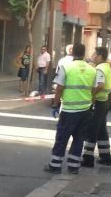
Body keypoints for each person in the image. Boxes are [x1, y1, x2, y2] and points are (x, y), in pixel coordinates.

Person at [43, 43, 101, 174]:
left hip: (69, 110)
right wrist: (91, 105)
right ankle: (73, 166)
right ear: (84, 53)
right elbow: (94, 90)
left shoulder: (66, 67)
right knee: (79, 139)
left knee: (62, 138)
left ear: (72, 52)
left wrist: (55, 105)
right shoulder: (92, 69)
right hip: (85, 110)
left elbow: (59, 89)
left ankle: (55, 165)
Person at [82, 47, 111, 167]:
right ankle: (106, 157)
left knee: (92, 130)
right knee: (101, 131)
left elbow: (100, 85)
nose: (93, 56)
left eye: (94, 54)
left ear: (100, 56)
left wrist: (91, 94)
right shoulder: (107, 67)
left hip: (98, 102)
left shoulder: (100, 68)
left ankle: (88, 158)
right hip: (104, 101)